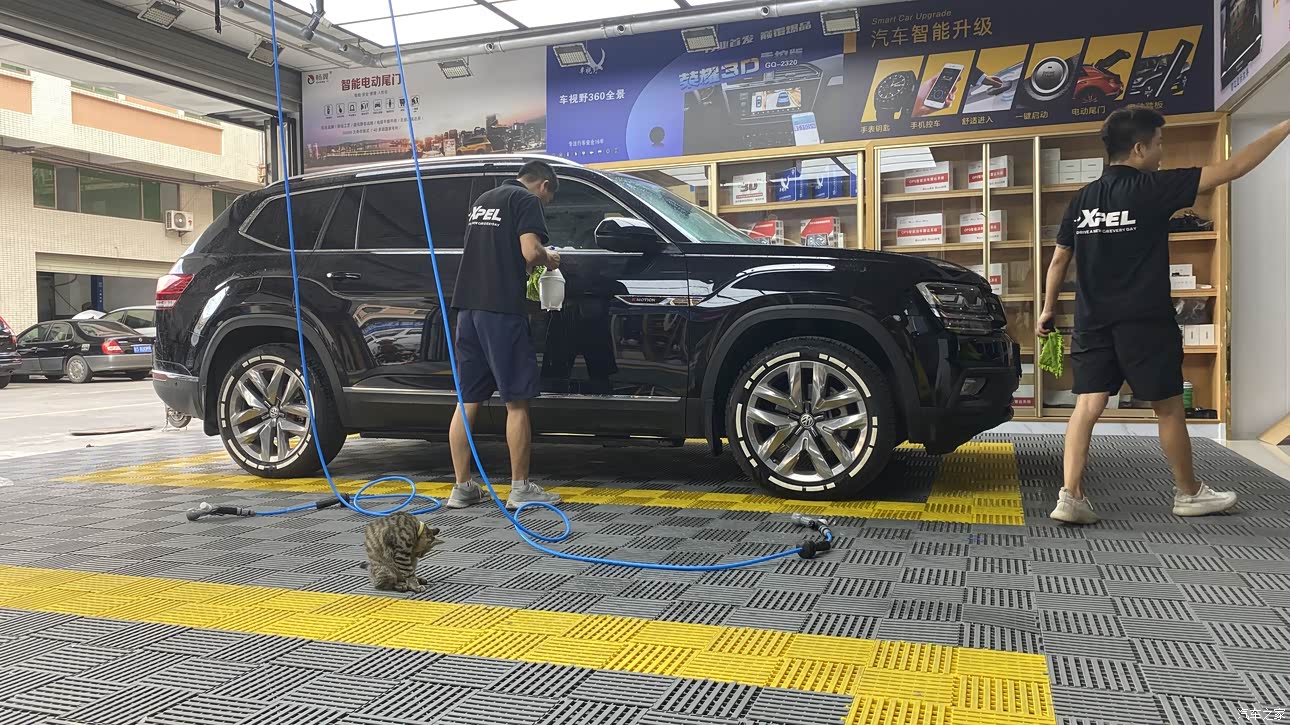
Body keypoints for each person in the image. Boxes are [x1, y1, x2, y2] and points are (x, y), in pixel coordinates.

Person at [1038, 106, 1290, 524]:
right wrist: (1284, 126)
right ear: (1139, 149)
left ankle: (1071, 496)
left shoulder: (1082, 199)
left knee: (1087, 404)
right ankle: (1188, 493)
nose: (1162, 152)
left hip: (1092, 320)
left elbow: (1060, 259)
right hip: (1145, 320)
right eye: (1158, 144)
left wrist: (1048, 309)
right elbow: (1234, 167)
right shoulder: (1153, 187)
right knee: (1169, 407)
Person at [446, 160, 563, 510]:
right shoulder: (526, 200)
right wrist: (549, 258)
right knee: (516, 401)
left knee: (467, 400)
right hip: (501, 310)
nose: (544, 204)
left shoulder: (484, 199)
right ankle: (520, 488)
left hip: (467, 309)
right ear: (543, 185)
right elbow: (530, 251)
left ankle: (462, 488)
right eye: (548, 199)